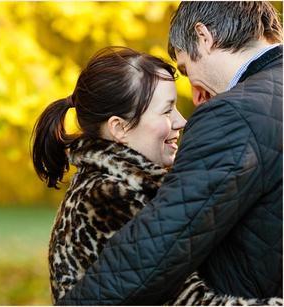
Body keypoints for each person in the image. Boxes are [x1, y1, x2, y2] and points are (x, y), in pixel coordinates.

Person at [56, 2, 283, 305]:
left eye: (187, 69)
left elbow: (161, 246)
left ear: (203, 37)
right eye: (166, 109)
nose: (197, 95)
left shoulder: (236, 113)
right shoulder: (106, 194)